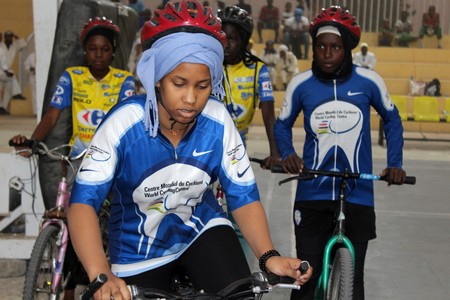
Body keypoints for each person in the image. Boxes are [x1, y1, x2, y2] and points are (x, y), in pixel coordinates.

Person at [66, 1, 312, 299]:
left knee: (241, 294)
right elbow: (82, 204)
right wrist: (101, 274)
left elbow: (243, 196)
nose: (191, 98)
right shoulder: (123, 124)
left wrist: (268, 256)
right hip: (137, 250)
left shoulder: (218, 120)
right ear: (157, 77)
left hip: (202, 232)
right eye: (179, 83)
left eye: (203, 86)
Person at [273, 6, 407, 300]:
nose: (327, 53)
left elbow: (393, 120)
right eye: (321, 46)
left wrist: (394, 163)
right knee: (306, 276)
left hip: (358, 191)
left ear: (346, 49)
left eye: (335, 47)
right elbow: (281, 126)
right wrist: (288, 154)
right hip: (312, 193)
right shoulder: (301, 84)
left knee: (354, 278)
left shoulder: (368, 81)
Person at [10, 17, 135, 299]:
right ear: (84, 50)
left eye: (105, 49)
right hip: (78, 157)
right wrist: (33, 140)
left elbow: (126, 118)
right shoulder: (71, 77)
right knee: (71, 217)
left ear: (113, 50)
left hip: (112, 159)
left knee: (114, 220)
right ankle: (68, 284)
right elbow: (53, 114)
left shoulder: (124, 80)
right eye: (93, 48)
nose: (99, 54)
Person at [219, 5, 280, 167]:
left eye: (232, 39)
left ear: (244, 41)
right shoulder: (209, 66)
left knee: (237, 189)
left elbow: (268, 112)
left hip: (237, 140)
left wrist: (275, 153)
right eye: (222, 38)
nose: (225, 44)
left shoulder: (258, 69)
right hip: (207, 138)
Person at [0, 31, 27, 115]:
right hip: (1, 70)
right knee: (11, 79)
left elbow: (24, 44)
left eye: (11, 37)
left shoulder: (14, 46)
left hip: (7, 70)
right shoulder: (1, 46)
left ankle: (3, 108)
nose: (10, 38)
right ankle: (17, 93)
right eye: (8, 37)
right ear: (5, 38)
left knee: (8, 90)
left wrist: (16, 36)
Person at [23, 51, 37, 116]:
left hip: (42, 78)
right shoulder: (31, 55)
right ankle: (35, 112)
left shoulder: (45, 54)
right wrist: (30, 69)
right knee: (34, 94)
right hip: (33, 77)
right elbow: (26, 65)